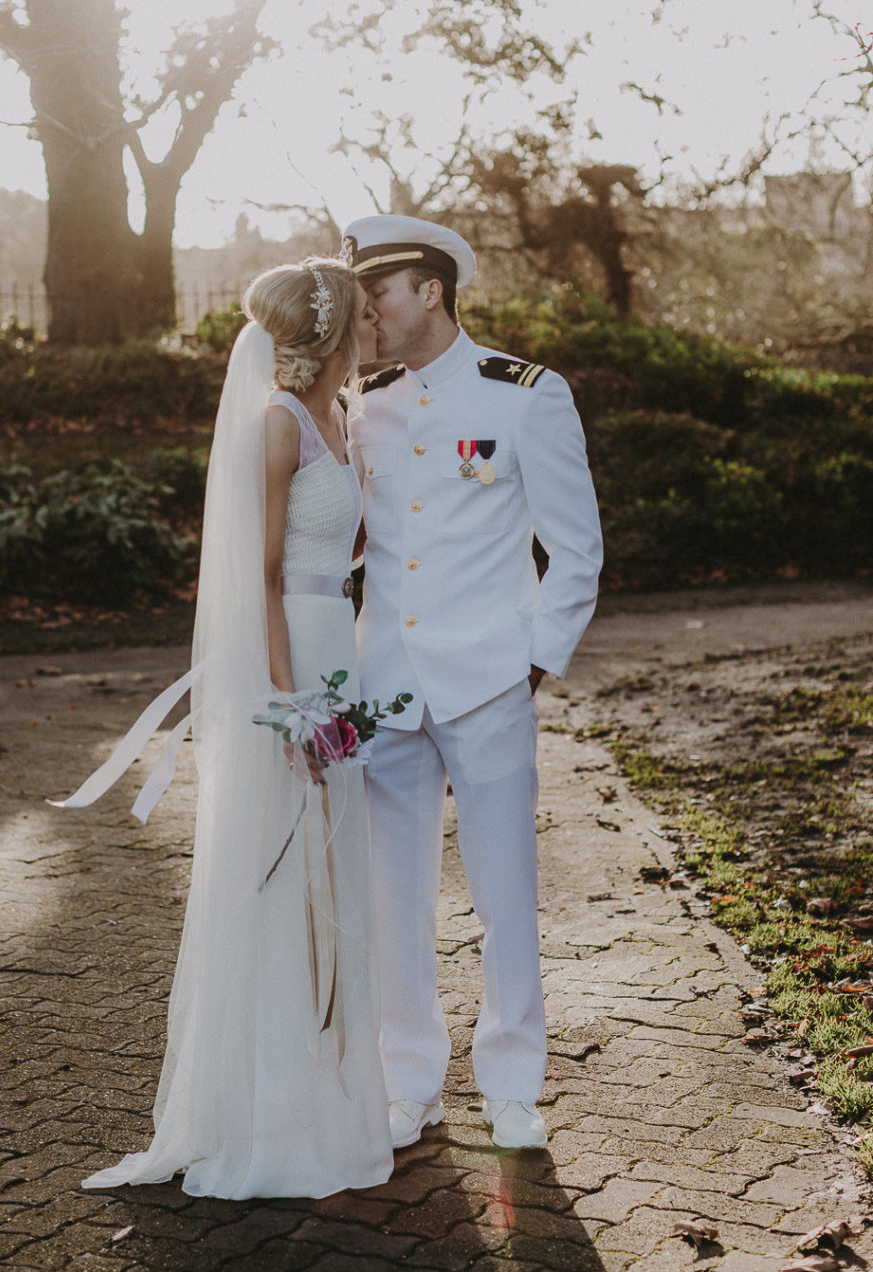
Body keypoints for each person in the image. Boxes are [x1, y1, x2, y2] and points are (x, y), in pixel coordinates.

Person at [52, 257, 393, 1199]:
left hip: (341, 649)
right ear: (327, 333)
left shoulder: (336, 418)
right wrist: (292, 708)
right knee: (286, 874)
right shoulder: (278, 424)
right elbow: (264, 577)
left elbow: (345, 547)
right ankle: (272, 1107)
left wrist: (368, 460)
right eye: (363, 318)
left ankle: (329, 1085)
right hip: (292, 668)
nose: (375, 330)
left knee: (335, 869)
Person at [343, 214, 604, 1152]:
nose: (365, 305)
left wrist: (536, 656)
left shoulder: (525, 395)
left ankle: (512, 1087)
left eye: (379, 288)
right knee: (392, 898)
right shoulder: (359, 402)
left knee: (505, 893)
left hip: (489, 678)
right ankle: (407, 1082)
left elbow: (577, 548)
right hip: (385, 683)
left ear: (432, 290)